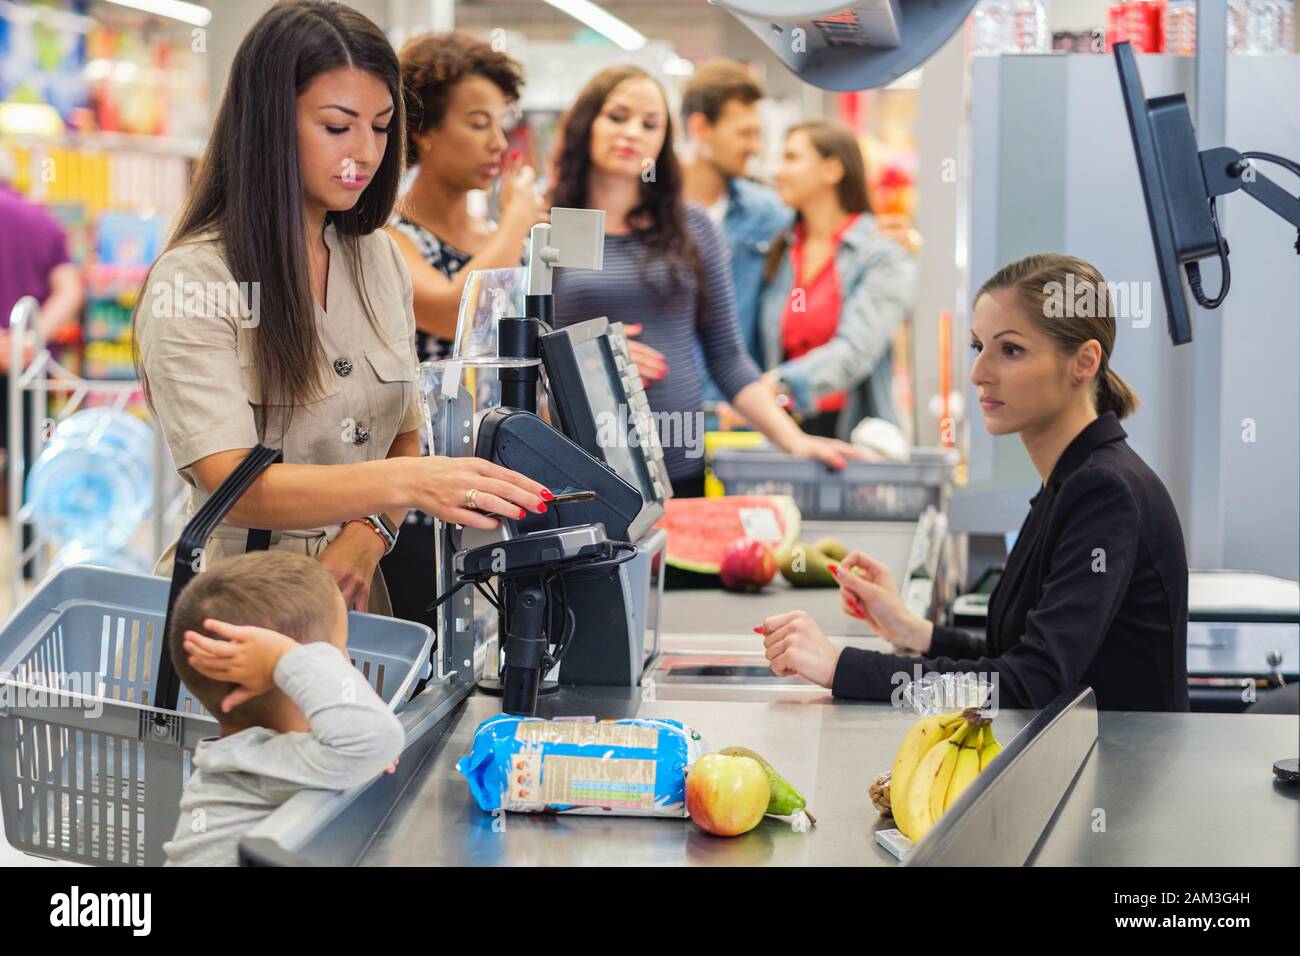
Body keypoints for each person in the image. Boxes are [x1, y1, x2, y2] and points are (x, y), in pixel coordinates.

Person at [132, 1, 551, 616]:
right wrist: (407, 485)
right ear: (270, 123)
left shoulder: (376, 259)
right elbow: (233, 483)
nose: (365, 151)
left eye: (381, 127)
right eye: (337, 126)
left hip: (360, 607)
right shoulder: (195, 278)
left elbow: (404, 436)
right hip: (238, 615)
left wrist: (367, 536)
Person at [757, 254, 1190, 712]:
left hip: (1120, 777)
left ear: (1083, 362)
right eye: (978, 346)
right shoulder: (1072, 478)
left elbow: (1031, 684)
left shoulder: (1105, 492)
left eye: (1010, 350)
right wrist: (913, 631)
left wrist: (841, 666)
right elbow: (1019, 657)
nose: (979, 373)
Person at [548, 65, 864, 499]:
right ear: (587, 123)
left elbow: (727, 356)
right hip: (578, 462)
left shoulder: (692, 226)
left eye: (650, 123)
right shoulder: (550, 227)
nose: (633, 133)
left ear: (664, 141)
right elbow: (517, 352)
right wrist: (589, 359)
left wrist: (792, 438)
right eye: (617, 116)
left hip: (679, 458)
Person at [379, 31, 548, 631]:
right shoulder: (390, 238)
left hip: (498, 489)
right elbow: (451, 312)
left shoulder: (492, 242)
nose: (498, 143)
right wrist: (519, 222)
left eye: (501, 124)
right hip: (415, 502)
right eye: (478, 123)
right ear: (422, 130)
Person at [162, 550, 406, 866]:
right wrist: (283, 659)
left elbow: (368, 743)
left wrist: (364, 748)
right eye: (336, 652)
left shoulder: (262, 755)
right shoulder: (255, 763)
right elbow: (375, 740)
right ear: (292, 680)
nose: (347, 664)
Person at [756, 120, 917, 441]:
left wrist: (778, 384)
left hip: (853, 433)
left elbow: (856, 352)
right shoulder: (778, 248)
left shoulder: (881, 252)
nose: (778, 171)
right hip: (781, 431)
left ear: (832, 170)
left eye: (791, 158)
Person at [680, 60, 792, 384]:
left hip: (740, 411)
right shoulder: (649, 215)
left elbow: (835, 242)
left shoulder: (767, 213)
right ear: (700, 128)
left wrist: (898, 239)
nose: (754, 148)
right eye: (744, 134)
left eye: (757, 134)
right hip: (664, 409)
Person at [0, 146, 84, 512]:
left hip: (21, 360)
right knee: (31, 464)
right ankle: (30, 562)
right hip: (27, 368)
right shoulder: (41, 221)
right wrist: (26, 340)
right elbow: (71, 288)